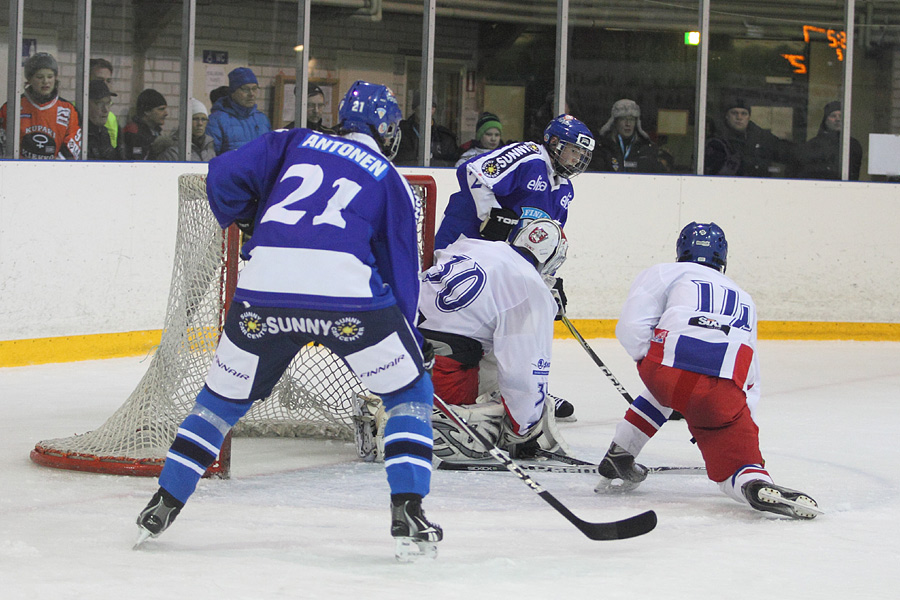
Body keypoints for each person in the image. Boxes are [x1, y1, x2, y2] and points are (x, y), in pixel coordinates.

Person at [134, 80, 442, 561]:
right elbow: (401, 266)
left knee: (219, 401)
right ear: (386, 129)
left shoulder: (292, 140)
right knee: (408, 393)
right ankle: (408, 507)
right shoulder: (388, 176)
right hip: (347, 305)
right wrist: (408, 335)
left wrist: (251, 219)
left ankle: (165, 502)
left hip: (262, 294)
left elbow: (221, 174)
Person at [595, 222, 820, 520]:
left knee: (666, 388)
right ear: (722, 258)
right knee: (735, 457)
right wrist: (736, 419)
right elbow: (750, 368)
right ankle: (753, 483)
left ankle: (620, 453)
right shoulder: (744, 297)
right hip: (724, 383)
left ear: (680, 250)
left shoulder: (663, 272)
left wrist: (652, 367)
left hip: (666, 370)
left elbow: (631, 328)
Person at [416, 219, 571, 462]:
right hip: (442, 368)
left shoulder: (471, 245)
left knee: (487, 341)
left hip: (395, 344)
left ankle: (393, 402)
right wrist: (524, 428)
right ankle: (408, 420)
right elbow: (524, 372)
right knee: (470, 430)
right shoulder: (531, 288)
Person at [0, 52, 81, 160]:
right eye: (39, 77)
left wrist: (54, 167)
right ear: (29, 79)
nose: (45, 81)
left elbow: (72, 146)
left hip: (55, 172)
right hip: (19, 171)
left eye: (50, 76)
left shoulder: (68, 110)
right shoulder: (12, 107)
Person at [704, 98, 795, 177]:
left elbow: (785, 153)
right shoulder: (716, 141)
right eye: (734, 113)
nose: (739, 117)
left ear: (749, 117)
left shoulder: (762, 137)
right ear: (727, 116)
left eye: (744, 114)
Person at [206, 67, 272, 154]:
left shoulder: (262, 119)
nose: (251, 94)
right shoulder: (216, 120)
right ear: (233, 91)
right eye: (245, 89)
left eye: (254, 88)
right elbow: (210, 156)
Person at [796, 101, 862, 181]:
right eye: (833, 116)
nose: (838, 119)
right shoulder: (814, 145)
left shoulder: (853, 145)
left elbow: (854, 173)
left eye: (841, 116)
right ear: (825, 120)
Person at [592, 99, 661, 173]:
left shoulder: (647, 149)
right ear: (615, 122)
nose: (628, 124)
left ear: (636, 123)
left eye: (631, 119)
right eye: (623, 119)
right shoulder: (603, 149)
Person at [395, 93, 458, 166]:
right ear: (414, 107)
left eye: (432, 106)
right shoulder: (400, 131)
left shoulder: (445, 137)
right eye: (423, 105)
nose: (428, 110)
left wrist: (434, 163)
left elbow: (452, 165)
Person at [122, 88, 168, 160]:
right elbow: (137, 164)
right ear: (147, 111)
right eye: (161, 109)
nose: (166, 113)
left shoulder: (154, 131)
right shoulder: (134, 132)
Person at [89, 58, 120, 149]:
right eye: (100, 80)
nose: (105, 85)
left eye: (108, 81)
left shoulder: (111, 118)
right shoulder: (74, 111)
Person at [86, 80, 120, 161]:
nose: (106, 109)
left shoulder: (103, 132)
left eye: (108, 103)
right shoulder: (78, 133)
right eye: (99, 103)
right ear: (86, 104)